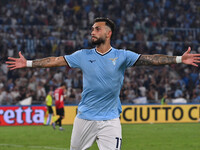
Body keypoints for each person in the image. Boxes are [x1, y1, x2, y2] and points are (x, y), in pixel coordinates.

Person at [6, 17, 200, 150]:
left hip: (110, 120)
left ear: (108, 34)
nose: (92, 31)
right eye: (92, 29)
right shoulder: (83, 55)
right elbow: (55, 60)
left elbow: (150, 59)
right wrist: (28, 63)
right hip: (85, 118)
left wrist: (178, 59)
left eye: (97, 29)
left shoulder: (122, 56)